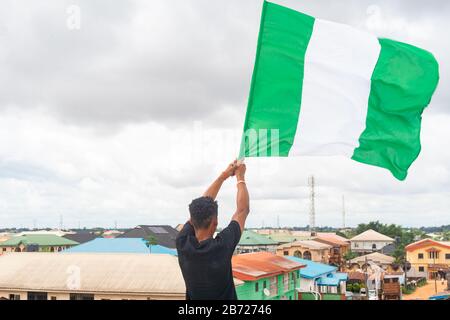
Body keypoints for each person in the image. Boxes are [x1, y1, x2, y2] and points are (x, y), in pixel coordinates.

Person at [176, 160, 250, 300]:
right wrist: (240, 177)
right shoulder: (221, 247)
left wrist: (224, 175)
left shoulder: (182, 242)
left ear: (191, 220)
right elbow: (242, 211)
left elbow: (202, 205)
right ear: (215, 223)